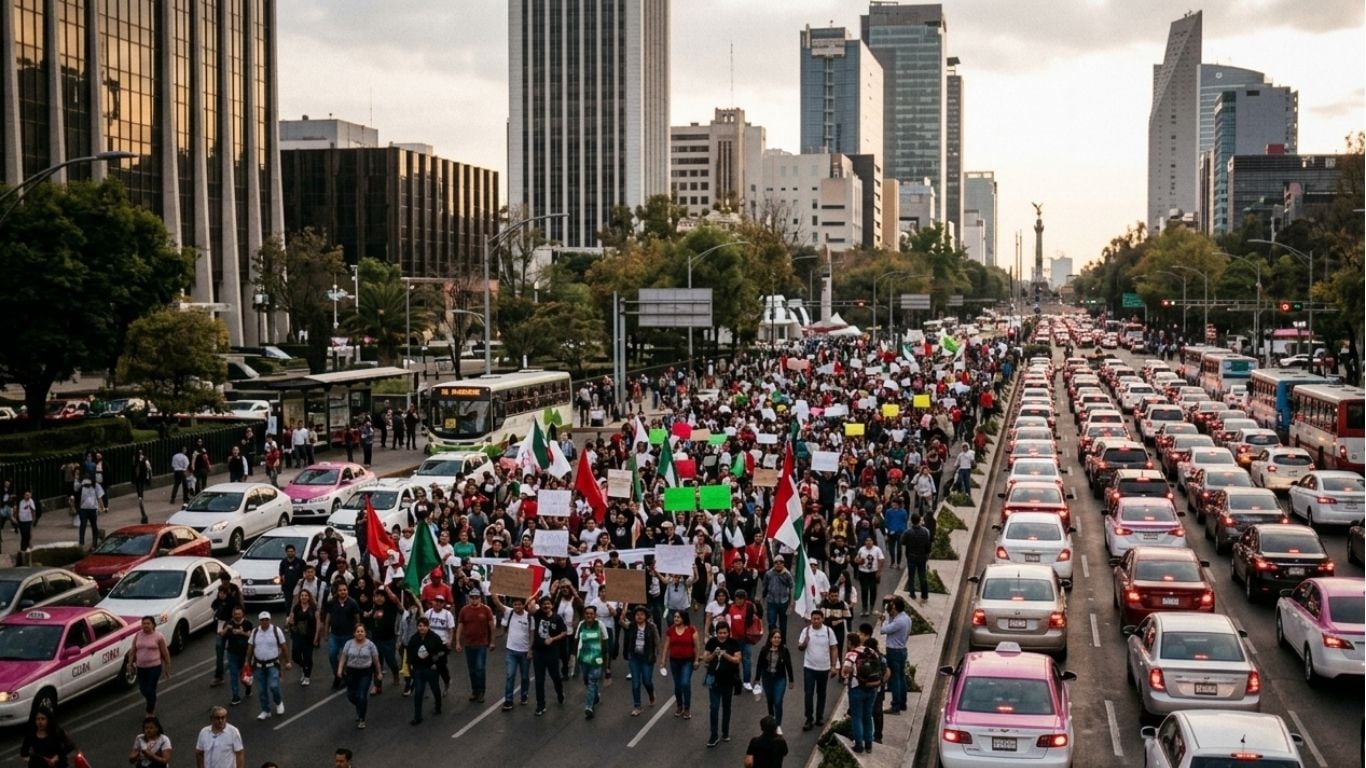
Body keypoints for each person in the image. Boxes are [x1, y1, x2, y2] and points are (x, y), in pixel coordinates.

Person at [798, 608, 839, 731]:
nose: (815, 621)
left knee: (821, 693)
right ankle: (809, 718)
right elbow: (800, 647)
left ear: (822, 619)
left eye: (818, 619)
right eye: (813, 619)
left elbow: (834, 648)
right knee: (808, 693)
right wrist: (805, 643)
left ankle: (819, 716)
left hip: (824, 668)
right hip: (809, 667)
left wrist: (833, 666)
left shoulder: (828, 631)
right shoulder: (806, 631)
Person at [703, 622, 742, 748]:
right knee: (714, 707)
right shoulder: (712, 642)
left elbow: (737, 659)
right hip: (714, 681)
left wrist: (725, 655)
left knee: (726, 707)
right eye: (720, 633)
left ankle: (725, 731)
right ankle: (713, 735)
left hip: (728, 681)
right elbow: (705, 658)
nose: (722, 635)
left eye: (725, 633)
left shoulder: (733, 643)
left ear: (728, 632)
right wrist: (715, 654)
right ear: (716, 632)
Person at [246, 611, 291, 720]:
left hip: (273, 665)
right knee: (261, 690)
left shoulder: (276, 630)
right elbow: (250, 647)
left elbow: (284, 646)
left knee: (274, 686)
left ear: (270, 620)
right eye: (262, 620)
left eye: (266, 619)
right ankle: (265, 710)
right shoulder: (255, 632)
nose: (264, 622)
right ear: (259, 621)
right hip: (259, 666)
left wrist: (287, 661)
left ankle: (278, 702)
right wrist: (248, 663)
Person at [841, 634, 881, 754]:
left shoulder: (851, 654)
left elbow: (845, 671)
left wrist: (848, 672)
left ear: (849, 643)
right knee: (868, 715)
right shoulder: (871, 651)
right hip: (872, 687)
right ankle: (869, 743)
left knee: (857, 717)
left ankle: (859, 744)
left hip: (857, 688)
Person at [319, 582, 362, 691]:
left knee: (347, 658)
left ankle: (344, 676)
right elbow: (327, 619)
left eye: (345, 590)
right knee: (332, 656)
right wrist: (325, 633)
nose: (343, 592)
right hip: (334, 635)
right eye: (341, 590)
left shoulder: (353, 603)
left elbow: (357, 619)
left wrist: (358, 633)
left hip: (348, 636)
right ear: (337, 592)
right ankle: (339, 675)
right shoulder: (331, 603)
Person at [454, 588, 495, 703]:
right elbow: (460, 626)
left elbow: (492, 626)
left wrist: (492, 641)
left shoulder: (486, 610)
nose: (474, 599)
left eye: (476, 597)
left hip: (481, 644)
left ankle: (481, 691)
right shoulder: (464, 610)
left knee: (480, 668)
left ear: (480, 598)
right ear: (469, 598)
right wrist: (457, 642)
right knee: (472, 669)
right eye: (472, 597)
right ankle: (475, 690)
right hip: (468, 644)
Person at [126, 615, 172, 715]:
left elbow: (165, 653)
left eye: (148, 623)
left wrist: (167, 668)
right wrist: (129, 664)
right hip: (141, 667)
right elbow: (133, 650)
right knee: (143, 689)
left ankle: (150, 712)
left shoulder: (158, 636)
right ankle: (152, 701)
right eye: (143, 623)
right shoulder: (138, 635)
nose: (145, 625)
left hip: (154, 668)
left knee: (150, 689)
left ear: (153, 625)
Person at [530, 596, 568, 715]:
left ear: (552, 605)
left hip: (552, 653)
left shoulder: (557, 618)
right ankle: (540, 705)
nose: (546, 606)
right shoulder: (538, 615)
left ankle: (560, 693)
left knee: (555, 677)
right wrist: (533, 594)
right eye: (543, 604)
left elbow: (564, 632)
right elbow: (530, 607)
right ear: (540, 606)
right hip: (538, 653)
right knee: (539, 680)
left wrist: (553, 639)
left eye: (548, 604)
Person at [337, 623, 380, 728]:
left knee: (361, 695)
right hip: (351, 672)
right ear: (354, 633)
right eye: (358, 631)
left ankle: (362, 718)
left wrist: (378, 673)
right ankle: (360, 707)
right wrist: (339, 670)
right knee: (351, 695)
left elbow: (376, 660)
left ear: (365, 633)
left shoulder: (370, 645)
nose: (360, 633)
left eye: (362, 631)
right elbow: (343, 657)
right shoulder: (349, 644)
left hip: (365, 672)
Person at [752, 628, 794, 731]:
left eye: (779, 638)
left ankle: (778, 724)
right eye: (775, 637)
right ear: (770, 639)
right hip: (767, 678)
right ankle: (772, 721)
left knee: (778, 701)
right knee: (770, 700)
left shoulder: (784, 650)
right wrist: (757, 679)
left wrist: (791, 680)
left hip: (780, 678)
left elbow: (788, 665)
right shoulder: (764, 650)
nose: (777, 640)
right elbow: (759, 665)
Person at [406, 616, 446, 725]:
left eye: (424, 626)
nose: (421, 628)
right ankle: (417, 717)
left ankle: (438, 706)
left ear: (428, 627)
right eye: (419, 626)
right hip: (418, 670)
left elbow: (442, 651)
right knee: (418, 692)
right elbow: (409, 653)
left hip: (431, 669)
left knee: (435, 689)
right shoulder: (414, 639)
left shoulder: (435, 638)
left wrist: (435, 663)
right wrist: (411, 665)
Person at [621, 605, 660, 716]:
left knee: (647, 681)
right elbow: (622, 622)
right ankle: (637, 706)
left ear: (646, 616)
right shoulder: (631, 626)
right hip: (634, 658)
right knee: (635, 683)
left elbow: (657, 641)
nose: (639, 616)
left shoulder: (652, 627)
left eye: (642, 614)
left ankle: (651, 694)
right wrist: (623, 612)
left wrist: (659, 656)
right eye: (637, 615)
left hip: (647, 658)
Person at [498, 595, 533, 710]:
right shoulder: (510, 612)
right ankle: (508, 700)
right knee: (510, 675)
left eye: (519, 604)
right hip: (511, 651)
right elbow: (496, 602)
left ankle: (524, 695)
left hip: (524, 652)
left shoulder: (529, 617)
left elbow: (532, 634)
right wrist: (493, 590)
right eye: (515, 604)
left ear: (524, 605)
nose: (517, 606)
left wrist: (530, 650)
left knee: (524, 677)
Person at [664, 609, 700, 719]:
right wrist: (663, 660)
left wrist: (696, 660)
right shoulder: (671, 630)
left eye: (678, 617)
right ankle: (679, 706)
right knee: (678, 685)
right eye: (675, 617)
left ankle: (687, 708)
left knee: (685, 683)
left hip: (687, 661)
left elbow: (697, 646)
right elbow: (667, 646)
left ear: (683, 618)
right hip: (674, 661)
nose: (676, 619)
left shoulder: (691, 630)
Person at [878, 596, 911, 714]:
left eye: (891, 605)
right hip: (902, 649)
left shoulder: (899, 622)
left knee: (895, 678)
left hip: (894, 651)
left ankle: (895, 705)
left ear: (895, 607)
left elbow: (883, 630)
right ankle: (903, 703)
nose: (890, 607)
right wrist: (890, 617)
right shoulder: (906, 618)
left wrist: (882, 621)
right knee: (901, 677)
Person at [575, 604, 607, 718]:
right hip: (584, 659)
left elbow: (605, 641)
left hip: (596, 660)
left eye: (591, 614)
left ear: (595, 615)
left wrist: (605, 663)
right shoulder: (581, 625)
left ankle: (589, 706)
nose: (589, 615)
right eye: (587, 614)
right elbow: (577, 640)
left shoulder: (600, 625)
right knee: (587, 681)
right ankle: (596, 697)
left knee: (591, 682)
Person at [422, 593, 456, 696]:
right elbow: (423, 627)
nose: (438, 603)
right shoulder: (428, 613)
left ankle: (446, 682)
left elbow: (450, 630)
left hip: (442, 645)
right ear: (433, 602)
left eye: (441, 602)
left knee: (440, 665)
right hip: (430, 644)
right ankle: (432, 689)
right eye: (436, 601)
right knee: (428, 665)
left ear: (444, 603)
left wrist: (450, 641)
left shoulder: (447, 614)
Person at [220, 606, 253, 706]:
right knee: (233, 675)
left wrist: (241, 632)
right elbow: (221, 634)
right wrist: (227, 628)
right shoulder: (229, 623)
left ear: (242, 614)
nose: (237, 616)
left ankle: (248, 687)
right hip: (232, 653)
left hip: (245, 654)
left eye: (239, 614)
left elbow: (252, 636)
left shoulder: (247, 623)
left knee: (244, 676)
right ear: (233, 615)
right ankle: (236, 696)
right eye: (235, 614)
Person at [286, 588, 320, 686]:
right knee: (295, 655)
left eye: (306, 595)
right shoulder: (296, 608)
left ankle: (307, 676)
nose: (304, 597)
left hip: (309, 635)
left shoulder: (313, 608)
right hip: (298, 634)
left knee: (307, 656)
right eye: (302, 595)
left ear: (309, 597)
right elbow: (291, 620)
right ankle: (303, 667)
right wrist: (290, 622)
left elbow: (317, 623)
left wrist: (316, 637)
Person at [900, 513, 933, 603]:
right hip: (922, 557)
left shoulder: (908, 532)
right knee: (922, 576)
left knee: (911, 576)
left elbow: (902, 541)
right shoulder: (925, 532)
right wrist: (927, 554)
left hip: (911, 557)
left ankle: (912, 593)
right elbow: (928, 546)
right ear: (919, 521)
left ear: (911, 521)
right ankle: (924, 595)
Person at [761, 556, 794, 639]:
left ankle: (782, 643)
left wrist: (791, 604)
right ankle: (772, 641)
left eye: (781, 562)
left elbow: (792, 588)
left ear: (783, 564)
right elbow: (764, 587)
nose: (778, 564)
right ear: (774, 564)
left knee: (783, 625)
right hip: (771, 602)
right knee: (771, 623)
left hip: (783, 602)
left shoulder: (787, 574)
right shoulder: (769, 574)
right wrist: (762, 600)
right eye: (776, 562)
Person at [853, 535, 885, 615]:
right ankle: (864, 608)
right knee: (864, 590)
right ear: (865, 542)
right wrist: (859, 561)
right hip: (863, 572)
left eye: (870, 540)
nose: (868, 542)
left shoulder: (877, 550)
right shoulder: (861, 549)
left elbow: (881, 560)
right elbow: (856, 560)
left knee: (873, 590)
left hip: (873, 572)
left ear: (873, 542)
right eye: (867, 541)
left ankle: (871, 607)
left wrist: (879, 572)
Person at [75, 477, 103, 550]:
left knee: (93, 525)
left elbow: (99, 497)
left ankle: (94, 543)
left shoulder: (96, 486)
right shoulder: (81, 486)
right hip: (83, 509)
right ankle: (81, 542)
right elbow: (75, 490)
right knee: (83, 525)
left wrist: (102, 507)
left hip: (92, 509)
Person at [133, 449, 153, 523]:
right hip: (139, 475)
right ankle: (140, 495)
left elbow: (147, 466)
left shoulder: (143, 459)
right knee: (139, 485)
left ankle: (140, 495)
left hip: (141, 474)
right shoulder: (138, 459)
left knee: (140, 485)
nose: (140, 454)